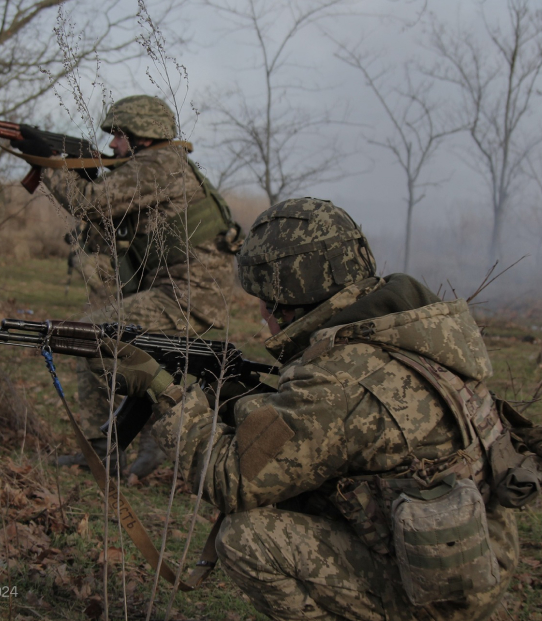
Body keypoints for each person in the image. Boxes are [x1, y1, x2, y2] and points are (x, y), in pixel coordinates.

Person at [88, 198, 527, 620]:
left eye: (262, 301)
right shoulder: (410, 328)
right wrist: (245, 404)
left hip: (439, 592)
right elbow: (338, 432)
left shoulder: (339, 378)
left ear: (283, 299)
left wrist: (164, 392)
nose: (261, 315)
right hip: (476, 552)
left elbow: (231, 481)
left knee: (247, 539)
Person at [41, 94, 241, 476]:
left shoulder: (160, 164)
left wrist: (48, 164)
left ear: (144, 135)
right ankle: (151, 445)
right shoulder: (160, 165)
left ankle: (103, 453)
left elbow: (89, 205)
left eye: (119, 135)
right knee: (143, 359)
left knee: (93, 337)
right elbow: (105, 229)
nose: (113, 145)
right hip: (185, 295)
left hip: (184, 299)